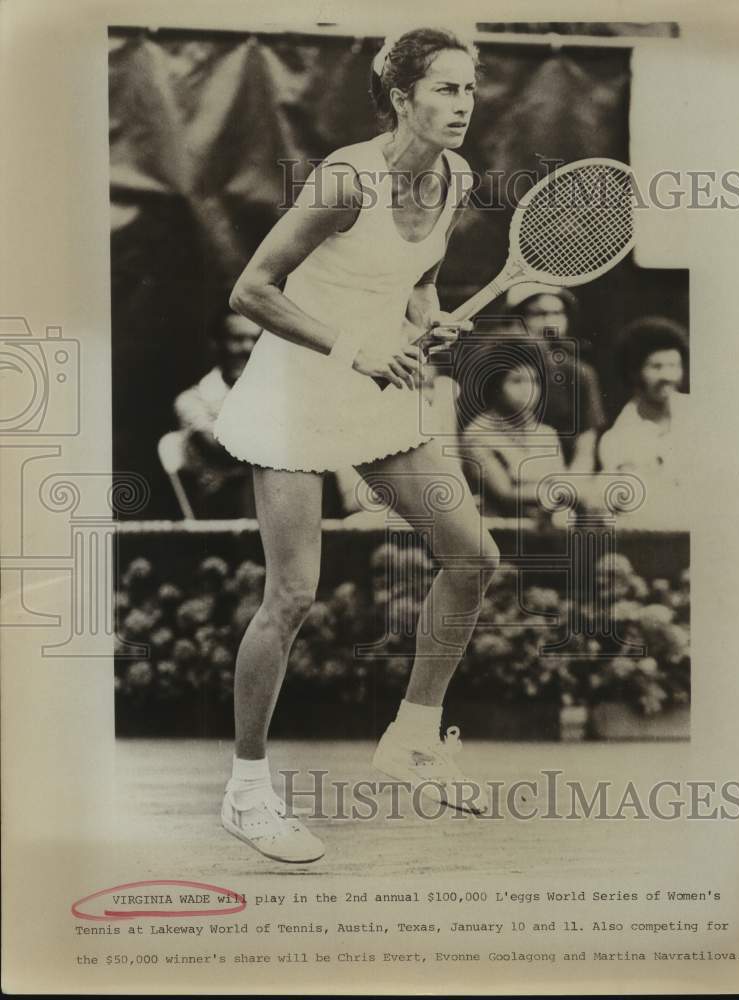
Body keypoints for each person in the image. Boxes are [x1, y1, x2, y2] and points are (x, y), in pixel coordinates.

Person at [212, 28, 499, 864]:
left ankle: (412, 734)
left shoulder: (457, 180)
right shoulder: (346, 178)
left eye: (470, 91)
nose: (462, 106)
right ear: (401, 96)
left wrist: (422, 320)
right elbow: (251, 290)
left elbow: (412, 277)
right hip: (296, 392)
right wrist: (355, 348)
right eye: (445, 90)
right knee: (294, 594)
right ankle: (247, 791)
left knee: (471, 557)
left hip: (379, 392)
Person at [505, 285, 607, 470]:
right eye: (539, 313)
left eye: (557, 313)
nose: (550, 322)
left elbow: (585, 447)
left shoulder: (579, 373)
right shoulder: (499, 370)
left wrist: (569, 487)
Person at [173, 309, 262, 517]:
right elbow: (220, 449)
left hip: (270, 497)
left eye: (255, 340)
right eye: (237, 339)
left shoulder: (273, 393)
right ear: (216, 344)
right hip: (223, 505)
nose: (247, 348)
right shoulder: (193, 400)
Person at [459, 347, 566, 519]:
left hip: (545, 525)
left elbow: (559, 481)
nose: (528, 390)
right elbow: (504, 493)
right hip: (496, 527)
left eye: (534, 381)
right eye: (517, 381)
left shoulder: (546, 434)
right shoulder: (478, 436)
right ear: (496, 387)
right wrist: (561, 493)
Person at [598, 316, 691, 497]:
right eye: (656, 367)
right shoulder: (618, 437)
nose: (667, 376)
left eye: (674, 365)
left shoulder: (698, 413)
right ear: (634, 372)